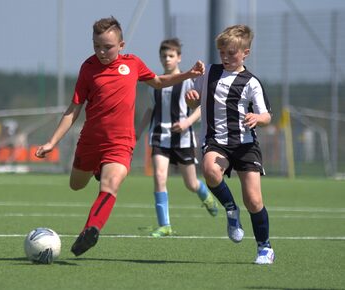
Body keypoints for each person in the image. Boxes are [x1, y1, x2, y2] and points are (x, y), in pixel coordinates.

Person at [35, 16, 204, 257]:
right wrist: (52, 142)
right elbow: (74, 108)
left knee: (110, 185)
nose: (101, 52)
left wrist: (187, 75)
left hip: (121, 142)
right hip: (91, 141)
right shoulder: (88, 68)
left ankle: (91, 230)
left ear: (121, 45)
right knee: (76, 185)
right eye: (96, 46)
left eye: (108, 47)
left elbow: (157, 81)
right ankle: (96, 169)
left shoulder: (133, 64)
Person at [185, 24, 275, 264]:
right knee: (210, 170)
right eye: (222, 52)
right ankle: (231, 210)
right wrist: (191, 98)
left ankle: (264, 247)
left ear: (245, 52)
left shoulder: (251, 82)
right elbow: (194, 101)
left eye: (231, 53)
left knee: (254, 200)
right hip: (216, 142)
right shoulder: (209, 73)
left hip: (245, 145)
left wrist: (257, 117)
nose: (225, 57)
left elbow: (266, 115)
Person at [136, 38, 218, 237]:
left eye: (171, 55)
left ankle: (205, 195)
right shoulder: (154, 83)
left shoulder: (189, 81)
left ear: (179, 57)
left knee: (190, 184)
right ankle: (165, 225)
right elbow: (149, 110)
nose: (167, 59)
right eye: (164, 56)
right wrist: (137, 132)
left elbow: (201, 108)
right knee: (159, 176)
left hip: (183, 139)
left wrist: (186, 123)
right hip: (159, 136)